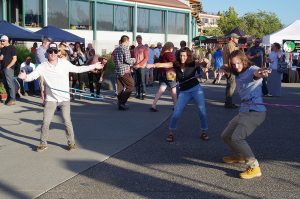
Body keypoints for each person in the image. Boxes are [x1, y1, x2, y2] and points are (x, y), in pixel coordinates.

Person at [18, 42, 104, 152]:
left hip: (64, 98)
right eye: (50, 51)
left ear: (58, 52)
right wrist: (24, 77)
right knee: (45, 122)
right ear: (47, 53)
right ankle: (43, 143)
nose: (52, 53)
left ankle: (71, 143)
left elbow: (78, 69)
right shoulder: (42, 66)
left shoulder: (64, 63)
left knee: (67, 121)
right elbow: (32, 76)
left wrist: (94, 66)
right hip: (51, 99)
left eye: (55, 51)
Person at [220, 50, 271, 179]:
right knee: (226, 135)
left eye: (238, 63)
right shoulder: (237, 71)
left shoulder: (251, 69)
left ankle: (254, 167)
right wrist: (223, 68)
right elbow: (228, 68)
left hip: (255, 112)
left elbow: (256, 74)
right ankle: (240, 156)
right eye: (233, 64)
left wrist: (261, 73)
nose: (236, 66)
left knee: (237, 138)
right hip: (244, 110)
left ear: (244, 61)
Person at [149, 47, 209, 142]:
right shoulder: (175, 64)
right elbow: (163, 64)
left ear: (188, 56)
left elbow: (204, 63)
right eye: (181, 55)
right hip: (184, 92)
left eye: (184, 55)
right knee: (177, 111)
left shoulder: (192, 63)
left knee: (202, 110)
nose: (182, 57)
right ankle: (171, 132)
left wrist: (205, 60)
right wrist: (152, 65)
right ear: (178, 55)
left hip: (196, 90)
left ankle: (204, 131)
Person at [150, 42, 177, 112]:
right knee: (173, 90)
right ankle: (176, 106)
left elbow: (159, 63)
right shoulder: (170, 54)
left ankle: (153, 105)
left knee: (161, 90)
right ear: (171, 47)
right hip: (170, 73)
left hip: (162, 73)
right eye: (172, 48)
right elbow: (173, 63)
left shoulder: (162, 54)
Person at [113, 35, 136, 111]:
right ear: (126, 41)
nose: (128, 43)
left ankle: (120, 104)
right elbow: (127, 60)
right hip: (125, 70)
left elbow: (114, 59)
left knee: (120, 88)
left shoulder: (116, 49)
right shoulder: (125, 48)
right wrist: (134, 60)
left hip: (117, 70)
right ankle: (122, 102)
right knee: (131, 85)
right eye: (128, 41)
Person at [222, 33, 240, 109]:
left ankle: (228, 102)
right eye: (236, 38)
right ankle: (228, 103)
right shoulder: (231, 45)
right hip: (230, 68)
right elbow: (233, 57)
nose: (238, 39)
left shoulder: (227, 45)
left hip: (227, 67)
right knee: (231, 86)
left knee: (229, 86)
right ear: (232, 38)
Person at [0, 35, 17, 106]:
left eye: (3, 41)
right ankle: (9, 98)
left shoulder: (12, 47)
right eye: (1, 41)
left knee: (10, 84)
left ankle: (12, 99)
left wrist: (8, 67)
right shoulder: (3, 49)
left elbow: (14, 59)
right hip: (3, 68)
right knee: (5, 84)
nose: (2, 42)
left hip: (9, 68)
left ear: (7, 40)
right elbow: (1, 58)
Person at [36, 37, 51, 105]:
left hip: (48, 70)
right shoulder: (39, 50)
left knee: (48, 86)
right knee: (42, 86)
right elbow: (42, 61)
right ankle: (44, 101)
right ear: (44, 43)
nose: (48, 46)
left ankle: (48, 100)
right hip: (42, 71)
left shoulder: (47, 50)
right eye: (48, 44)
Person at [134, 35, 148, 100]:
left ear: (141, 39)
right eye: (137, 39)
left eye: (139, 39)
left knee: (142, 81)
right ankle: (138, 93)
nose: (138, 40)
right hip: (136, 66)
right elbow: (134, 58)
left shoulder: (144, 48)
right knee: (137, 81)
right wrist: (134, 65)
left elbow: (146, 58)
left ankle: (143, 94)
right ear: (136, 40)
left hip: (142, 66)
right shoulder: (135, 48)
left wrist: (139, 64)